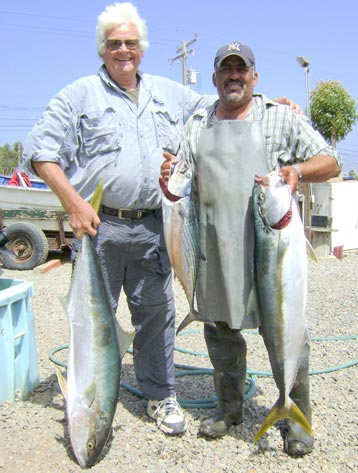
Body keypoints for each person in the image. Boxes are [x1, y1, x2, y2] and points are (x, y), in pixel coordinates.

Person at [22, 1, 301, 437]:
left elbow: (225, 102)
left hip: (155, 224)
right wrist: (74, 204)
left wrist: (271, 103)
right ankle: (88, 396)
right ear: (103, 48)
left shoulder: (169, 93)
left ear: (142, 48)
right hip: (99, 228)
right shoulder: (78, 95)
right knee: (91, 319)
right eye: (114, 44)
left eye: (131, 43)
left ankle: (158, 394)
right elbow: (40, 152)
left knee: (155, 316)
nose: (123, 51)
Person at [160, 41, 341, 454]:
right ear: (215, 78)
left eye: (242, 69)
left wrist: (296, 170)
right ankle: (230, 408)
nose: (234, 76)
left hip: (270, 253)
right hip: (214, 251)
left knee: (287, 333)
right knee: (221, 336)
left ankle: (295, 419)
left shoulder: (278, 118)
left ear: (255, 76)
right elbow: (179, 179)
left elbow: (330, 161)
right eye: (227, 70)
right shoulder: (195, 126)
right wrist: (167, 175)